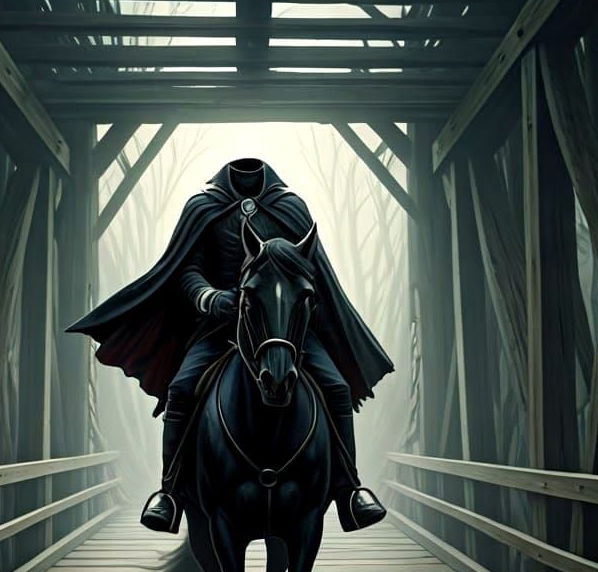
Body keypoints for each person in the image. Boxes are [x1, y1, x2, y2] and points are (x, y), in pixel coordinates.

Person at [67, 157, 394, 533]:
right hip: (218, 328)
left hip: (282, 329)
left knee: (335, 388)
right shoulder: (203, 207)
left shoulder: (291, 208)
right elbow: (186, 268)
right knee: (182, 389)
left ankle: (349, 490)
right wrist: (210, 298)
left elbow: (310, 269)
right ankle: (169, 492)